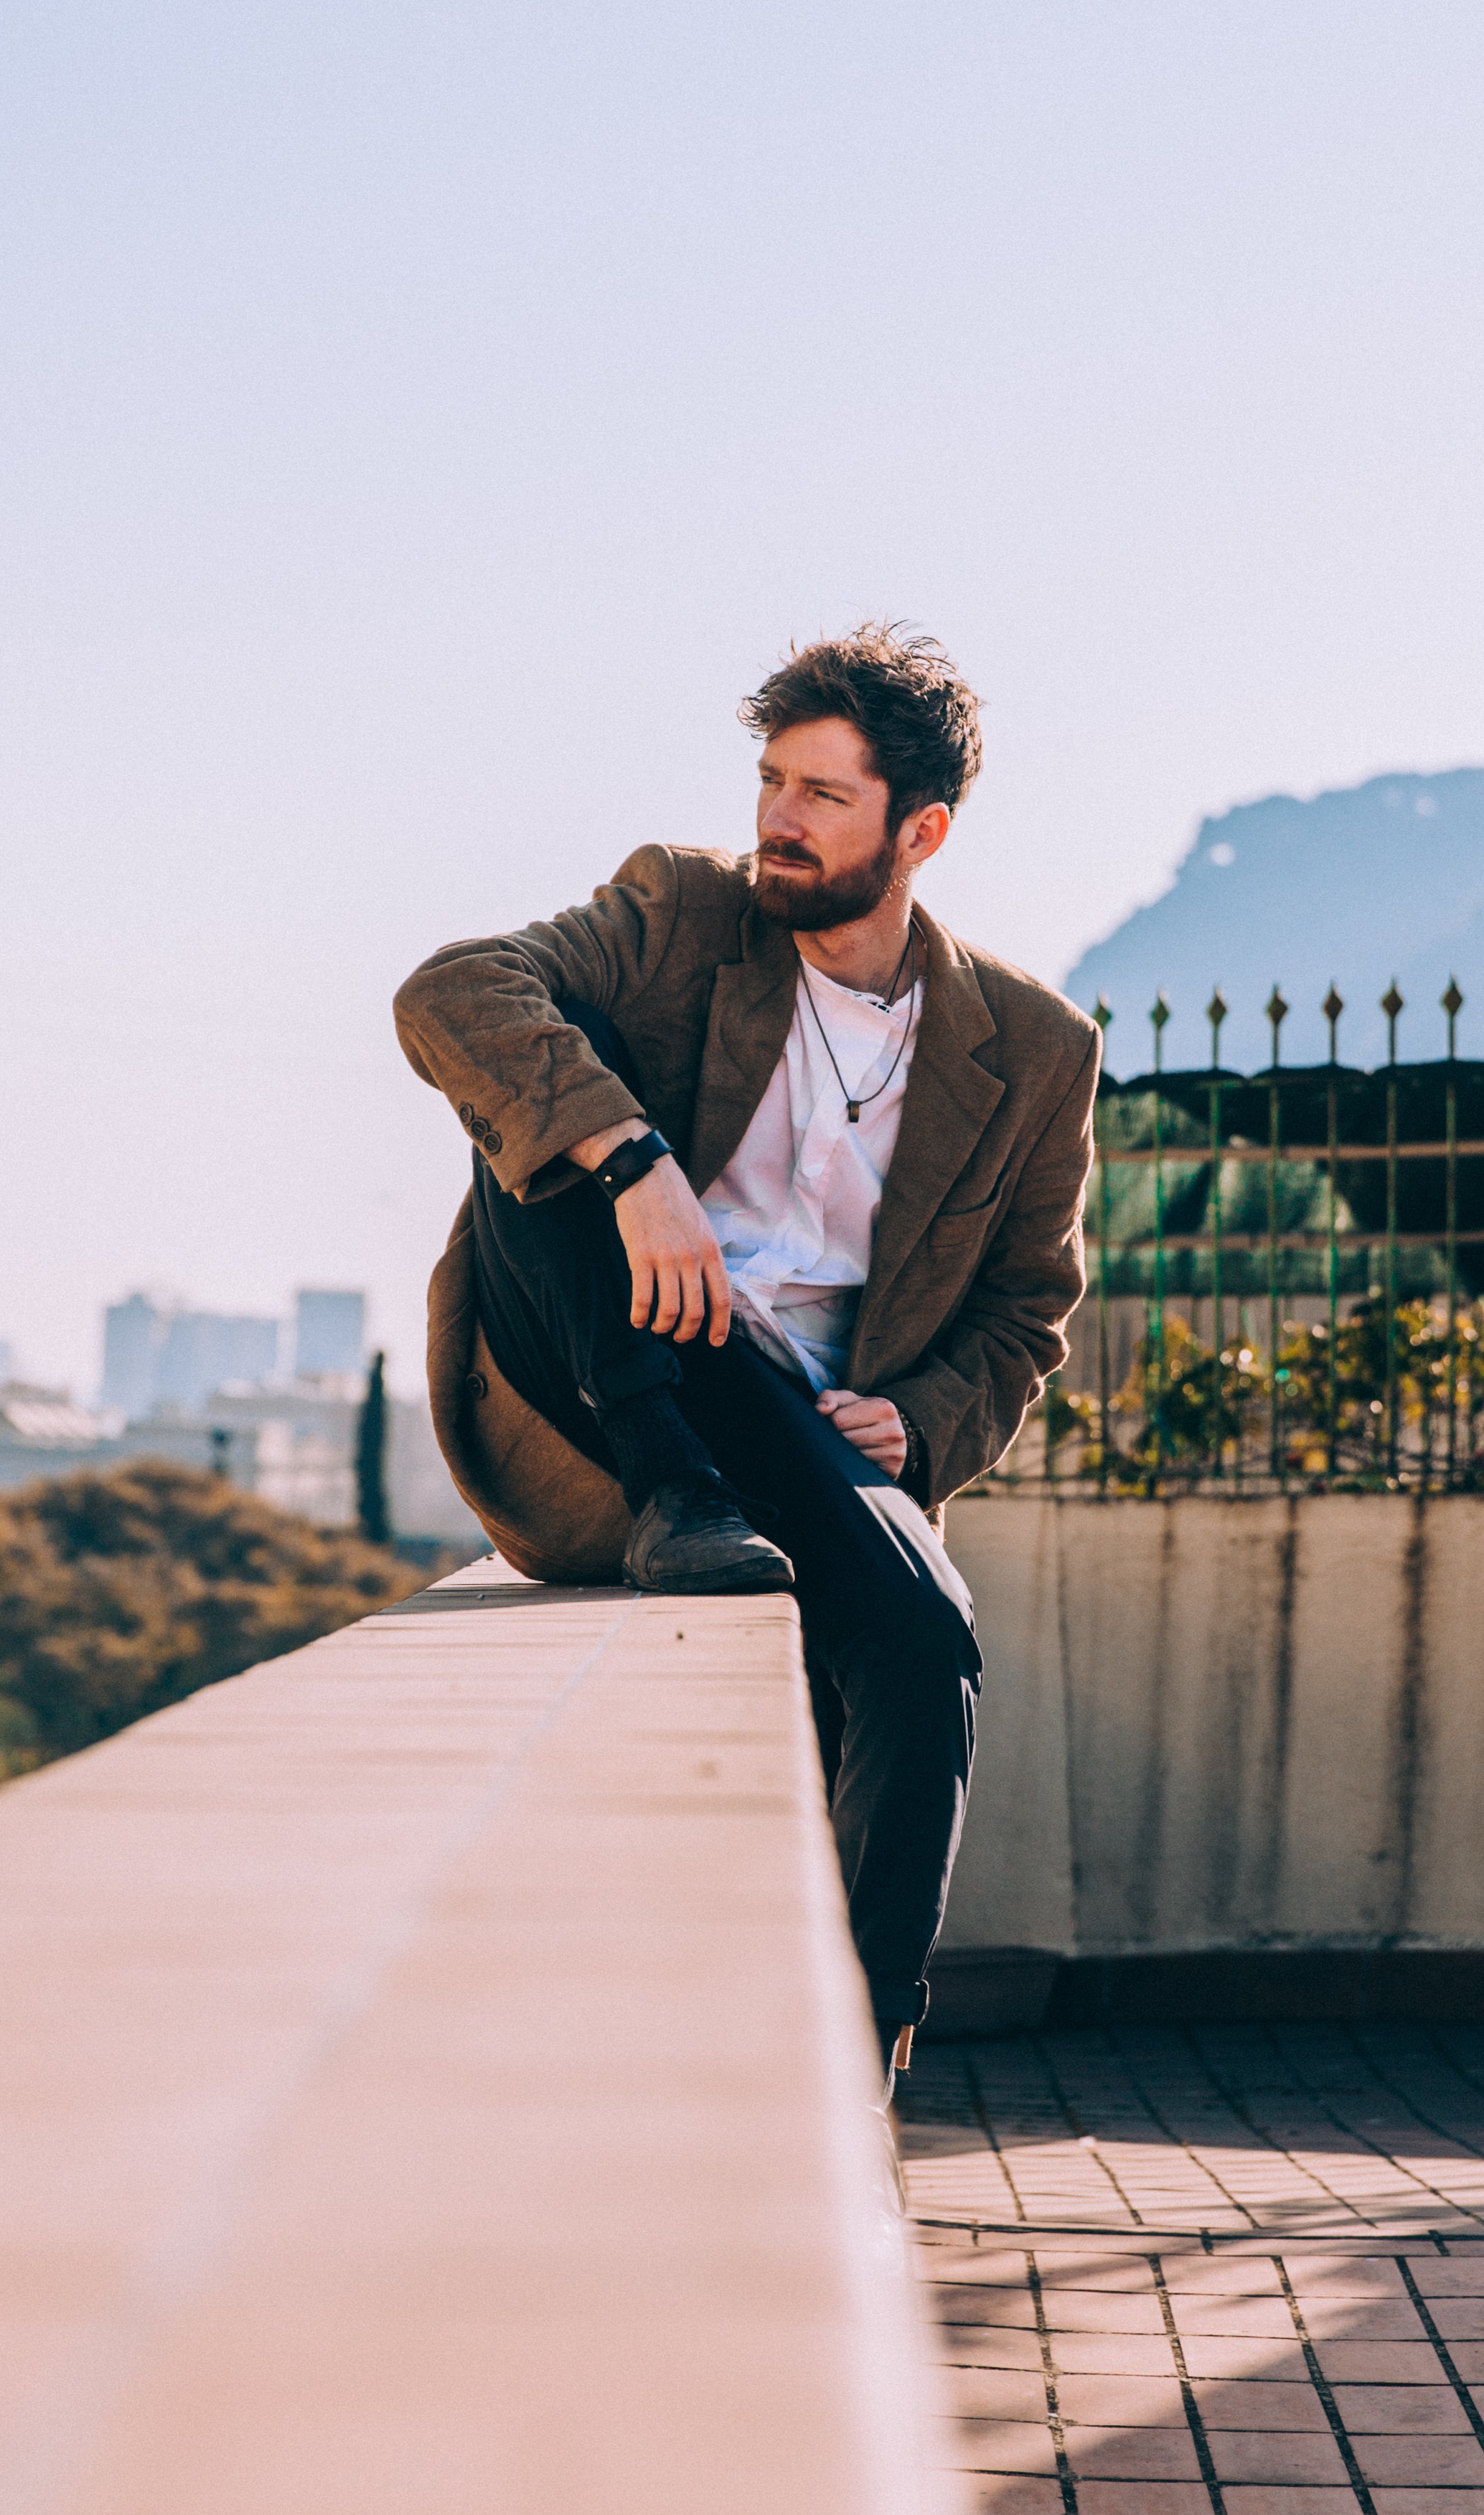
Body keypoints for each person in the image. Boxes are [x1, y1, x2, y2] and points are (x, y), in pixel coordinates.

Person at [394, 626, 1099, 2084]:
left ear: (923, 830)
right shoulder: (682, 912)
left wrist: (925, 1419)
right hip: (616, 1371)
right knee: (533, 1107)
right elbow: (453, 991)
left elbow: (1028, 1309)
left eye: (824, 796)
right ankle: (674, 1487)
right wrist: (639, 1157)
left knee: (923, 1643)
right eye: (774, 780)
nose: (780, 818)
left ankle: (862, 2052)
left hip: (815, 1429)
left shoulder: (1033, 1047)